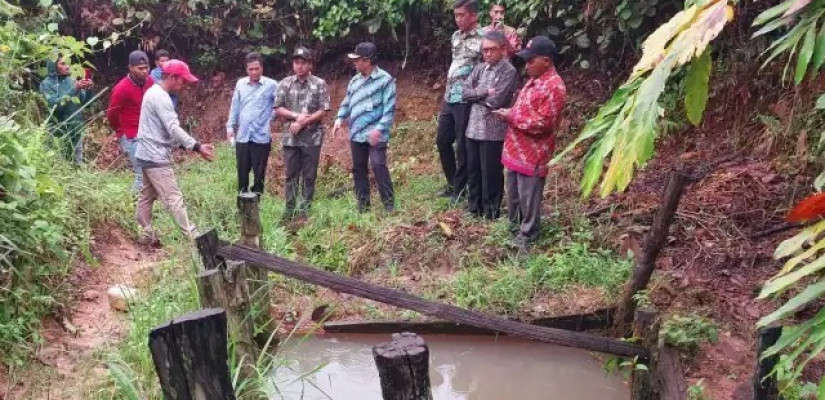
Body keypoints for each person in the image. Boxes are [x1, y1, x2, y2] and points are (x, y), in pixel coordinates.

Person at [492, 36, 566, 250]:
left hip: (533, 153)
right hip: (516, 149)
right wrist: (510, 112)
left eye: (531, 61)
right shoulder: (535, 80)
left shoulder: (554, 87)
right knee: (514, 194)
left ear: (546, 61)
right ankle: (515, 227)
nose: (527, 65)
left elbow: (544, 123)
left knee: (528, 196)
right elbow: (525, 110)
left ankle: (528, 235)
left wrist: (511, 117)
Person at [135, 60, 215, 245]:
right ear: (171, 77)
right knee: (173, 198)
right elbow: (173, 128)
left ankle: (146, 234)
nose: (184, 84)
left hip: (146, 152)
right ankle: (195, 240)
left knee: (146, 196)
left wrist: (182, 146)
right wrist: (197, 146)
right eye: (182, 80)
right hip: (155, 155)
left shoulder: (153, 93)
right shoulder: (161, 97)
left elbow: (162, 129)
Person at [332, 42, 397, 213]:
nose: (354, 63)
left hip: (376, 133)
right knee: (358, 168)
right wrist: (339, 118)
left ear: (367, 61)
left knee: (378, 165)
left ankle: (389, 204)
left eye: (357, 60)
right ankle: (363, 205)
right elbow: (347, 101)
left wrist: (379, 129)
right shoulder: (355, 81)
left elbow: (389, 109)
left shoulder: (385, 80)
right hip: (357, 133)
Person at [462, 30, 518, 220]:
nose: (487, 54)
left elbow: (497, 101)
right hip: (473, 128)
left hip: (493, 130)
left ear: (503, 49)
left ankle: (491, 211)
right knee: (473, 170)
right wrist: (485, 91)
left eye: (491, 49)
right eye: (484, 50)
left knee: (491, 172)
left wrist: (476, 95)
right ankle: (474, 208)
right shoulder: (479, 68)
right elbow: (464, 92)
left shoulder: (508, 71)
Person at [274, 47, 331, 221]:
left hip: (312, 138)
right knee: (291, 174)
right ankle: (289, 209)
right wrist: (296, 116)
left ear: (310, 64)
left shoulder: (319, 84)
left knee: (309, 175)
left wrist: (304, 121)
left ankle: (305, 209)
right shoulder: (284, 83)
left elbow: (324, 109)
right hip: (290, 138)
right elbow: (278, 108)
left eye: (303, 63)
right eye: (296, 63)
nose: (299, 66)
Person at [437, 0, 484, 201]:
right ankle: (452, 182)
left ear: (474, 16)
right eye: (456, 15)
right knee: (442, 141)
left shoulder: (484, 37)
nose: (458, 19)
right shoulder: (455, 36)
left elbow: (486, 68)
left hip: (466, 98)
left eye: (462, 15)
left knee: (463, 146)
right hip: (450, 96)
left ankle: (460, 189)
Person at [226, 52, 278, 195]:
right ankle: (242, 202)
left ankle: (257, 202)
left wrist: (268, 119)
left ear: (262, 68)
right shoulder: (240, 84)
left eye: (257, 68)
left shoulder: (272, 85)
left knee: (259, 175)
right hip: (243, 136)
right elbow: (235, 107)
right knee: (242, 173)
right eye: (251, 69)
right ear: (246, 69)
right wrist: (230, 127)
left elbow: (279, 105)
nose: (254, 72)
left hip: (261, 137)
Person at [107, 50, 154, 194]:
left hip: (147, 133)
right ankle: (130, 202)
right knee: (141, 175)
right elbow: (112, 114)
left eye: (146, 67)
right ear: (130, 68)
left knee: (149, 173)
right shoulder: (121, 88)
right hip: (130, 136)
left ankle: (141, 202)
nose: (144, 71)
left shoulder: (150, 82)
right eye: (140, 68)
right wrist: (121, 132)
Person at [40, 54, 93, 164]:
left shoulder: (71, 80)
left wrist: (88, 89)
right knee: (60, 164)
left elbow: (84, 102)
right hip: (57, 131)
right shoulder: (46, 84)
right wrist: (74, 89)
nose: (67, 66)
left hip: (76, 128)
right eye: (63, 64)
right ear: (54, 66)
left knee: (77, 164)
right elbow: (54, 105)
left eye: (68, 63)